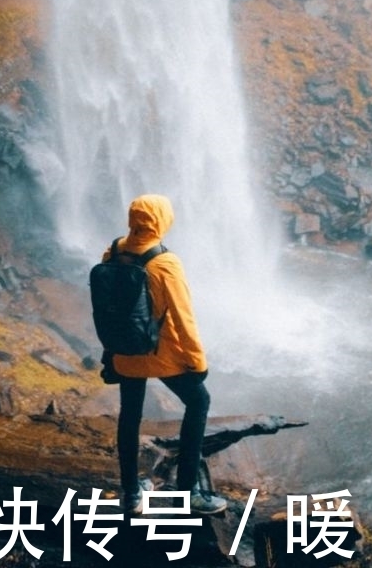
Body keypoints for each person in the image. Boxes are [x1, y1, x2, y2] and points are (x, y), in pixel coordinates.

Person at [103, 193, 227, 517]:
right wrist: (197, 362)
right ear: (162, 221)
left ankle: (131, 494)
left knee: (130, 415)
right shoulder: (165, 263)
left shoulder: (113, 251)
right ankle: (189, 494)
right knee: (199, 401)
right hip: (161, 353)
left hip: (126, 351)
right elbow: (184, 319)